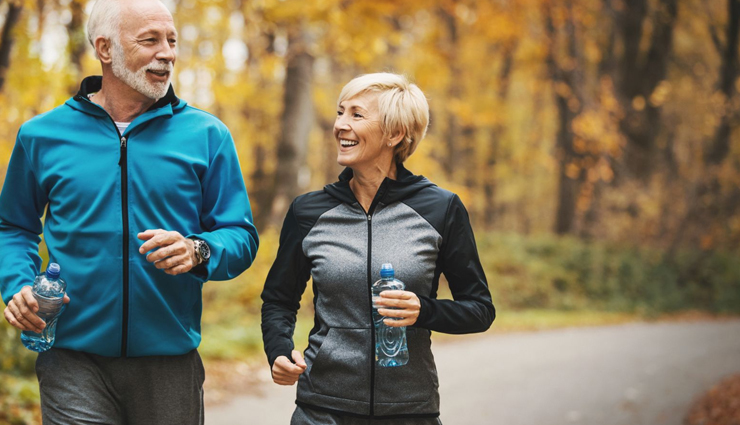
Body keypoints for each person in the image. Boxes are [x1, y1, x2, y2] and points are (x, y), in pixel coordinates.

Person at [0, 0, 259, 423]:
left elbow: (240, 234)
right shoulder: (42, 135)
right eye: (150, 40)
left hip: (168, 361)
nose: (167, 53)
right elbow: (13, 225)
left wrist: (199, 250)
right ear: (105, 49)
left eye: (172, 41)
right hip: (71, 357)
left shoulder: (207, 135)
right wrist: (16, 285)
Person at [261, 72, 495, 424]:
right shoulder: (308, 211)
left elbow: (479, 309)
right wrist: (278, 350)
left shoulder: (441, 209)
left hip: (409, 410)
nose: (340, 125)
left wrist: (424, 310)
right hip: (322, 409)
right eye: (340, 112)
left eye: (356, 115)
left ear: (395, 133)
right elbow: (279, 300)